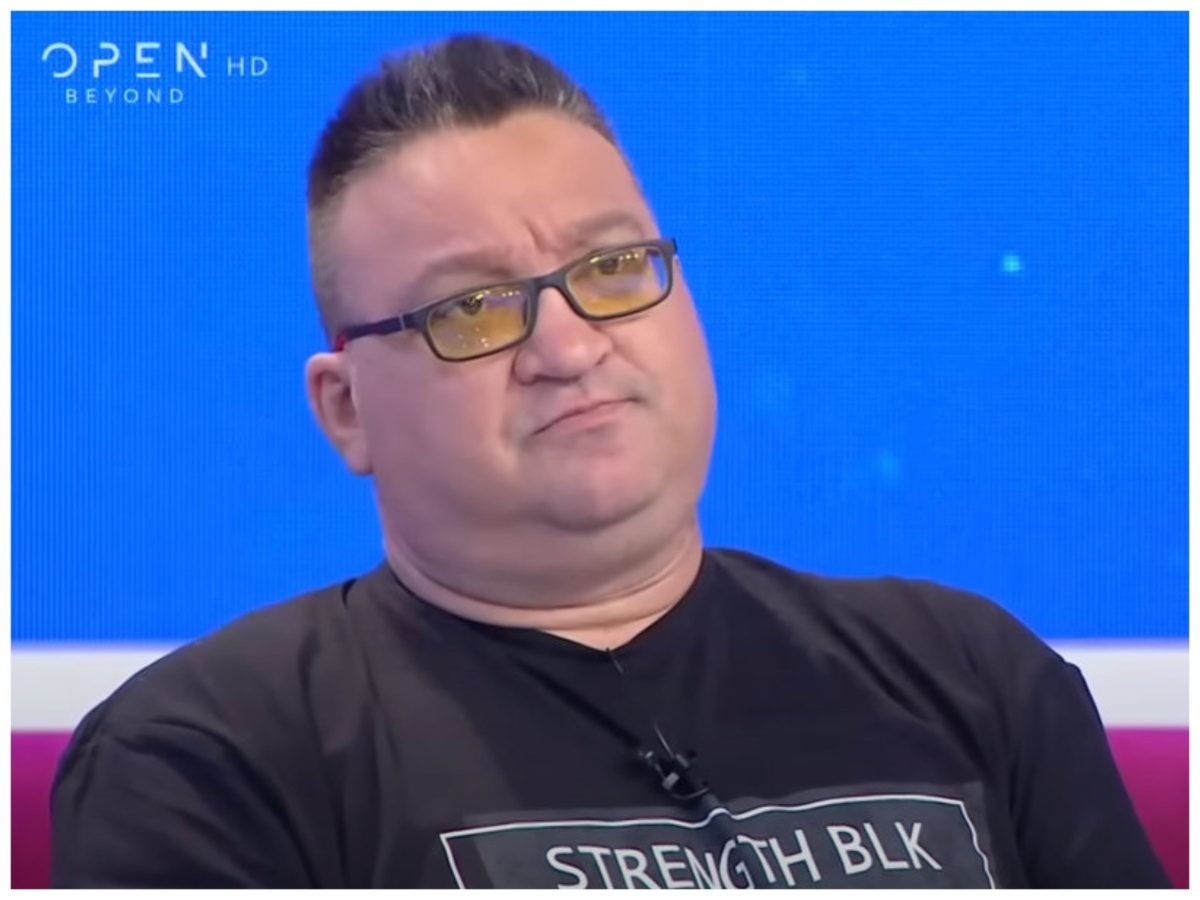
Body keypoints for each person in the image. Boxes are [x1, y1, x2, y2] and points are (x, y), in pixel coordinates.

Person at [50, 34, 1169, 889]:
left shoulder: (973, 681)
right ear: (346, 412)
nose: (570, 345)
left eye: (614, 267)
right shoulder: (213, 759)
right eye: (474, 307)